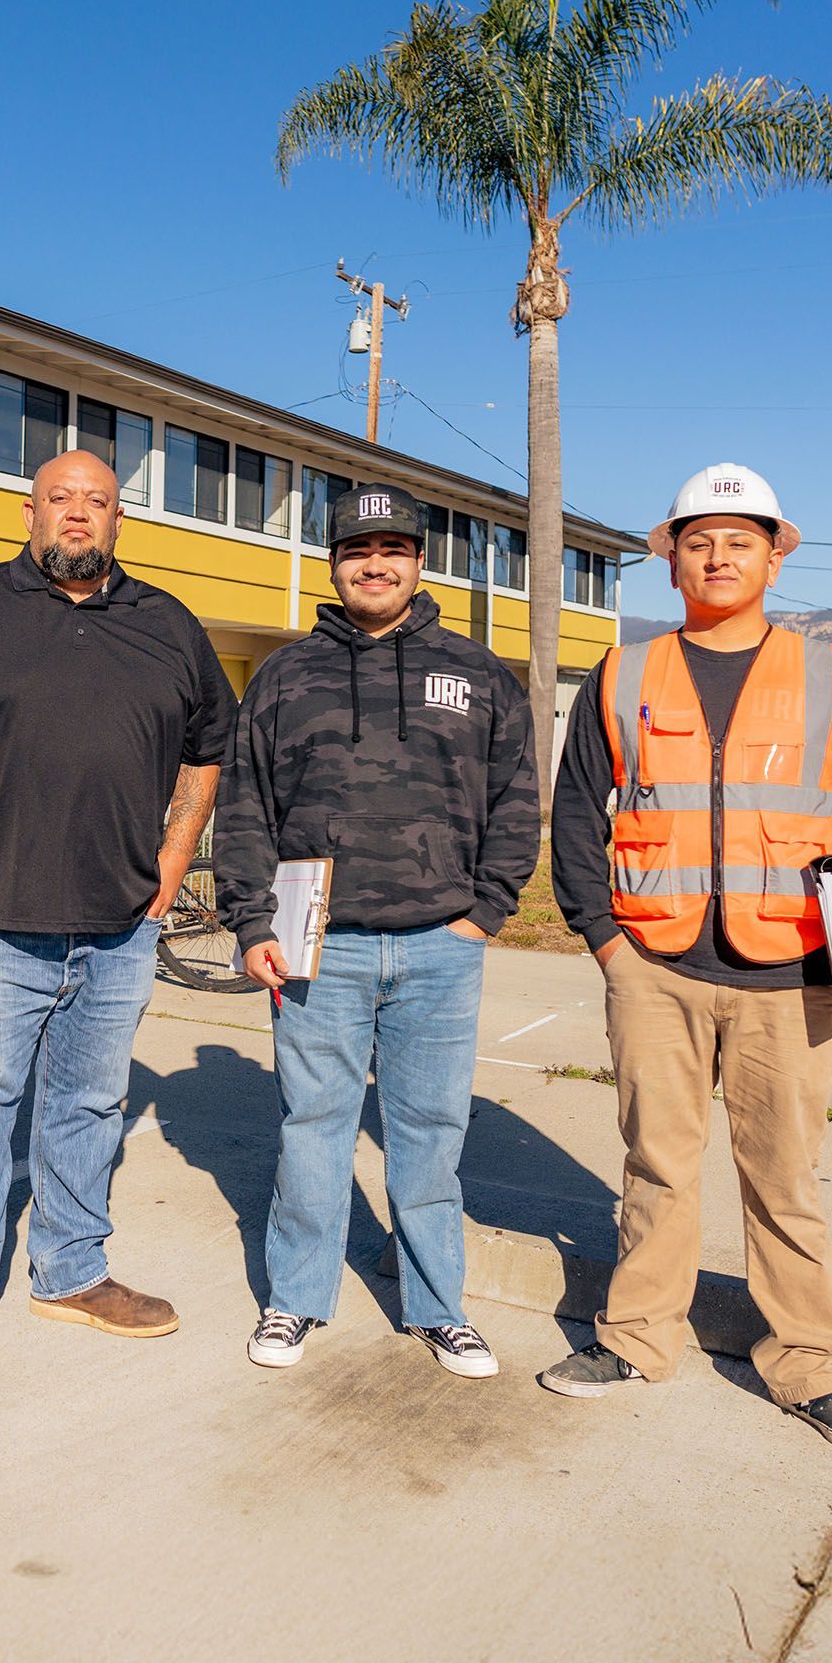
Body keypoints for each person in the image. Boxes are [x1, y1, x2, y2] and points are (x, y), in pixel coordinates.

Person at [540, 463, 832, 1458]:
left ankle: (809, 1368)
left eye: (739, 539)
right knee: (657, 1166)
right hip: (654, 968)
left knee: (784, 1178)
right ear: (671, 559)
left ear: (772, 555)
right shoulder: (624, 675)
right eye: (699, 539)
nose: (718, 556)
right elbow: (577, 813)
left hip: (790, 973)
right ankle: (636, 1341)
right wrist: (604, 940)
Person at [0, 450, 236, 1400]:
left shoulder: (168, 625)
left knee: (88, 1109)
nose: (79, 515)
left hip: (119, 927)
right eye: (61, 500)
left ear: (120, 520)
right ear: (30, 513)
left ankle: (72, 1274)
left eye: (99, 502)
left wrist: (175, 845)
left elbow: (209, 746)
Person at [216, 483, 539, 1376]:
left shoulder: (476, 673)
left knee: (429, 1132)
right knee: (312, 1126)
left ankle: (439, 1307)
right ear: (334, 562)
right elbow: (245, 807)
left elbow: (518, 798)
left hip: (442, 944)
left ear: (419, 561)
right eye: (359, 550)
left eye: (393, 548)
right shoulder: (284, 676)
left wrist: (485, 914)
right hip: (318, 943)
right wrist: (251, 924)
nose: (376, 563)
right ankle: (295, 1300)